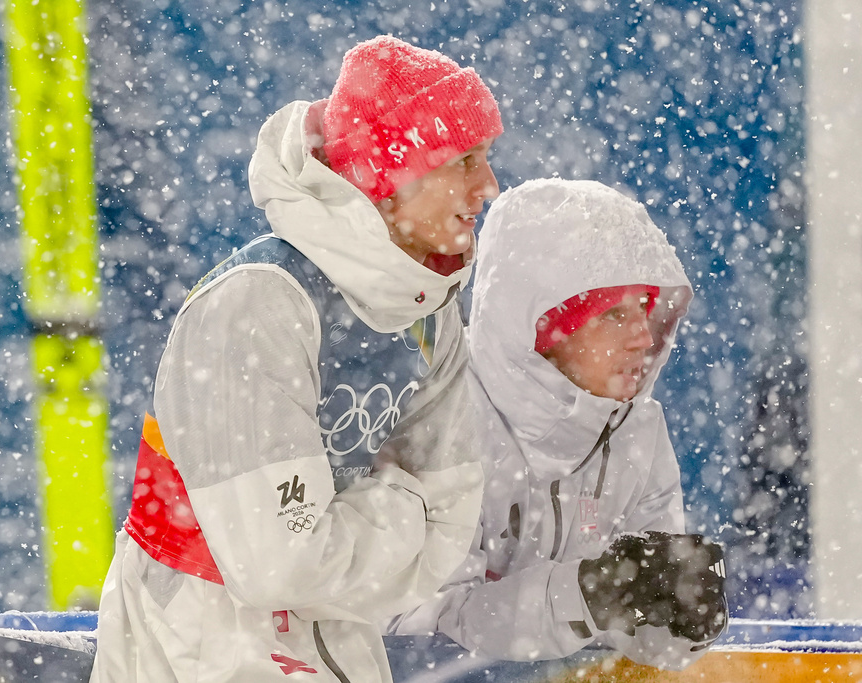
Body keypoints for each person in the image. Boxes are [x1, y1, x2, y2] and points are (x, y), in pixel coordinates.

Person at [89, 35, 503, 682]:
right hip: (198, 643)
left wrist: (337, 546)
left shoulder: (429, 308)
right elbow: (274, 564)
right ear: (392, 176)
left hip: (342, 636)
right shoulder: (258, 303)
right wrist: (404, 506)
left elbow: (450, 530)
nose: (489, 185)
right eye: (466, 160)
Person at [390, 178, 728, 670]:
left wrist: (678, 618)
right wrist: (595, 593)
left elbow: (639, 647)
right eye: (613, 314)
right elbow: (424, 627)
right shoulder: (445, 420)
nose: (642, 336)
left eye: (646, 309)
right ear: (540, 330)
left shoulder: (638, 430)